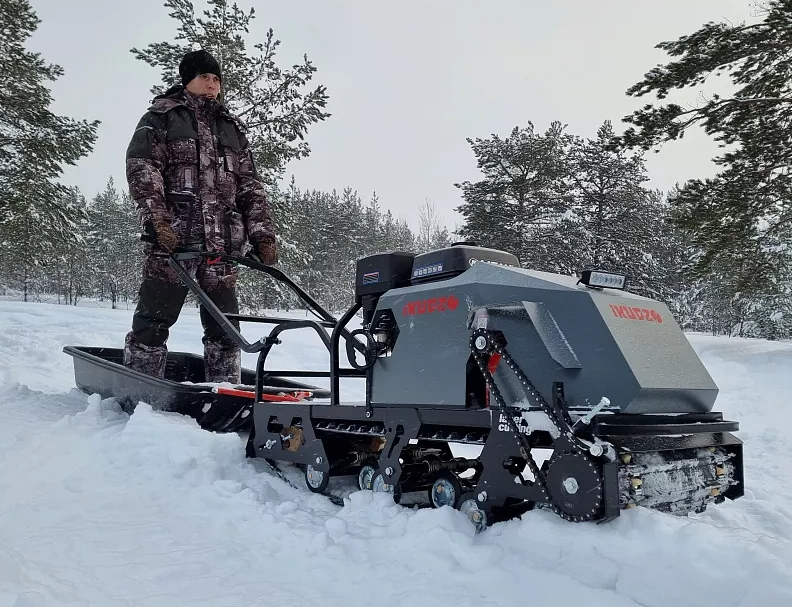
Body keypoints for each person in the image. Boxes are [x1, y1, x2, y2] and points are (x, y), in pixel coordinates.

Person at [122, 49, 277, 385]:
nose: (212, 84)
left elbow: (250, 186)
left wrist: (263, 235)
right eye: (204, 77)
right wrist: (157, 220)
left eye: (216, 78)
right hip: (174, 243)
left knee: (226, 329)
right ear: (188, 80)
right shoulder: (161, 118)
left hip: (221, 248)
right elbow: (143, 169)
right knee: (153, 323)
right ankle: (139, 392)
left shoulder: (231, 127)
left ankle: (225, 392)